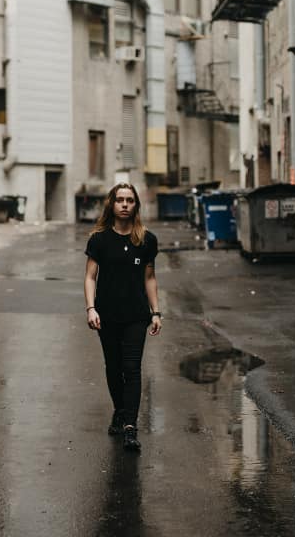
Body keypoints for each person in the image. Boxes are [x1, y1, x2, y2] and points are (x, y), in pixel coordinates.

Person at [84, 183, 162, 452]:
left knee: (132, 368)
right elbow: (89, 277)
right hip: (106, 316)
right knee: (113, 368)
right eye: (120, 200)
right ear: (112, 204)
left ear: (136, 205)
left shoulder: (146, 240)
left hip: (136, 316)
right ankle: (119, 410)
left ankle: (130, 426)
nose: (125, 204)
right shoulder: (99, 239)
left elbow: (150, 278)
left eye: (130, 200)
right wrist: (91, 308)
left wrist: (156, 312)